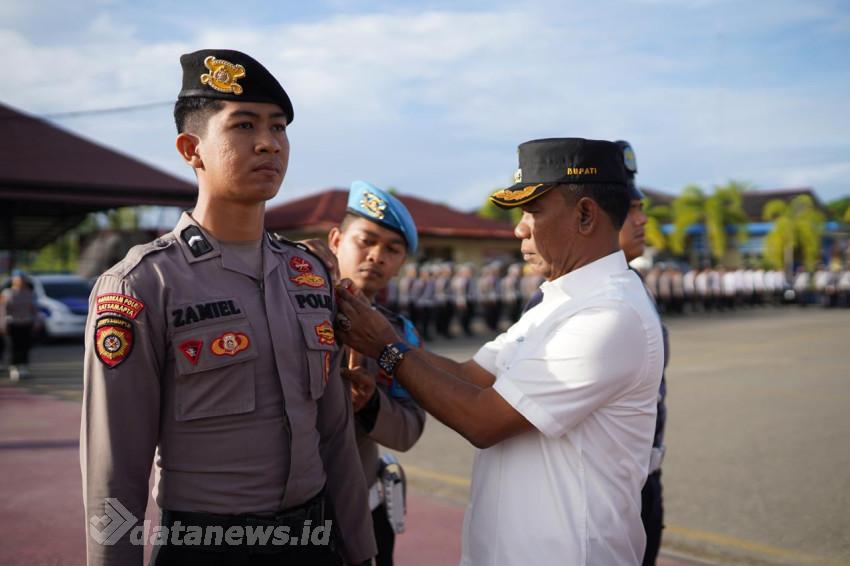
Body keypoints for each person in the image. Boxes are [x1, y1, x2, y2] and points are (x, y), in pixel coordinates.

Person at [81, 49, 375, 565]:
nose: (269, 143)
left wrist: (360, 549)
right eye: (244, 125)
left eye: (279, 127)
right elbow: (115, 469)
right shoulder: (142, 284)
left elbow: (333, 434)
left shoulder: (305, 274)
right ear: (191, 149)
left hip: (314, 540)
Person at [335, 138, 664, 564]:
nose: (519, 228)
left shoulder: (609, 315)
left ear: (585, 215)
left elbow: (483, 419)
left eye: (534, 211)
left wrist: (385, 345)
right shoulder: (557, 303)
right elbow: (470, 376)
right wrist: (378, 333)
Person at [328, 180, 426, 566]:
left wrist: (370, 405)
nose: (376, 256)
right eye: (365, 241)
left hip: (364, 516)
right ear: (336, 239)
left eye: (392, 249)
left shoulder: (401, 336)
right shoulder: (287, 315)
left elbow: (409, 428)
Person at [614, 140, 669, 566]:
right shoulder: (563, 299)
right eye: (631, 208)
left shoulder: (632, 283)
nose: (643, 218)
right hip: (615, 488)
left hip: (646, 479)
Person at [2, 271, 39, 381]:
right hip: (13, 323)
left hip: (27, 323)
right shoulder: (7, 293)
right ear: (14, 281)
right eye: (18, 280)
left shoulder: (29, 293)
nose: (20, 282)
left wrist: (36, 322)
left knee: (25, 346)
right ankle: (14, 368)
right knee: (14, 346)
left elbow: (34, 309)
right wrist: (3, 324)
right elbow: (3, 310)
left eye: (22, 280)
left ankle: (24, 368)